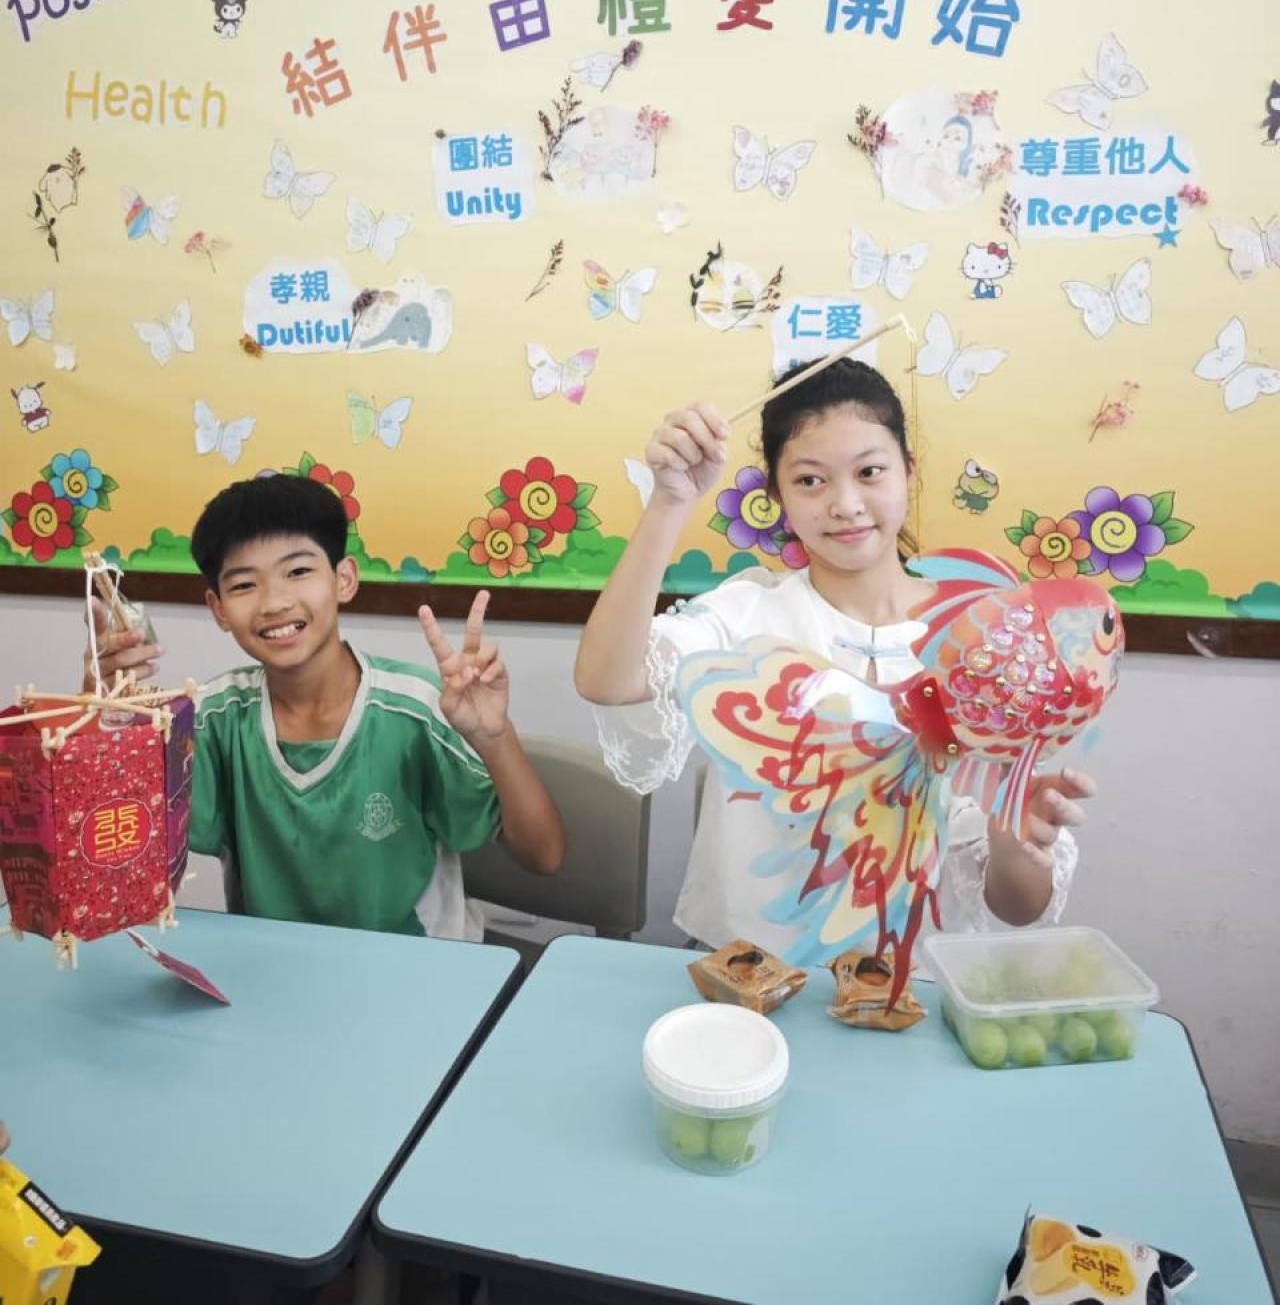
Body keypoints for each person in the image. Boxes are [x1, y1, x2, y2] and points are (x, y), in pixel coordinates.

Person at [575, 357, 1093, 959]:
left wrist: (1010, 845)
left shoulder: (987, 641)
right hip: (749, 974)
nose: (845, 504)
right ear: (777, 495)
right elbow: (607, 679)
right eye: (810, 481)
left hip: (913, 986)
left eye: (869, 471)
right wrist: (669, 502)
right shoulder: (746, 615)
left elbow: (1017, 907)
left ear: (908, 471)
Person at [87, 474, 564, 938]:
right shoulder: (212, 718)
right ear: (218, 609)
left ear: (344, 579)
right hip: (274, 968)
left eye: (298, 572)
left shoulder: (418, 708)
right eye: (244, 585)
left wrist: (494, 736)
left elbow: (544, 856)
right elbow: (115, 852)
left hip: (414, 966)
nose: (275, 602)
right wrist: (96, 714)